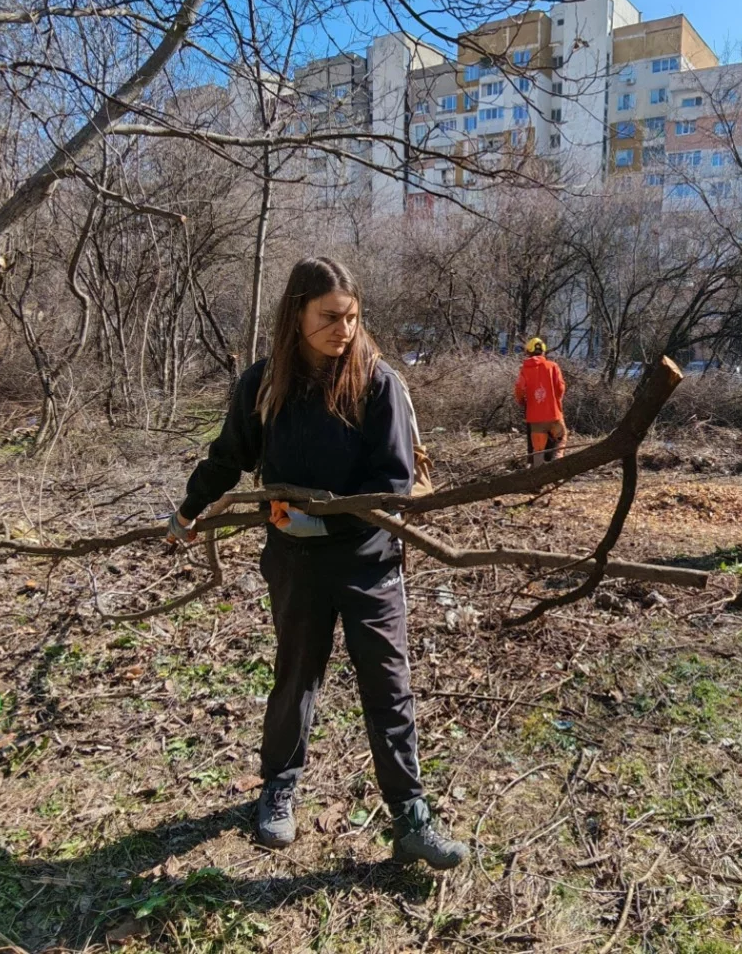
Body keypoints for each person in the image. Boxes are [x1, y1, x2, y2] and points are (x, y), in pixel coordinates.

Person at [166, 257, 466, 870]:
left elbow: (392, 485)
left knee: (388, 686)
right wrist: (191, 508)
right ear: (296, 312)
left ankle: (410, 815)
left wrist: (323, 519)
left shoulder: (378, 384)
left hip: (370, 561)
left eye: (353, 317)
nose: (344, 330)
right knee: (296, 674)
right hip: (296, 562)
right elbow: (229, 457)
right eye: (330, 317)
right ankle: (278, 789)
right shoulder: (262, 385)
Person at [513, 337, 567, 467]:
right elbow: (560, 388)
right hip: (553, 414)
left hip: (535, 417)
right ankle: (557, 463)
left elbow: (519, 389)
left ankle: (538, 480)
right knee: (561, 438)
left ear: (528, 352)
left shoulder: (525, 369)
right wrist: (555, 401)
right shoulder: (553, 366)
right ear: (543, 352)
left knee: (538, 451)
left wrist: (521, 401)